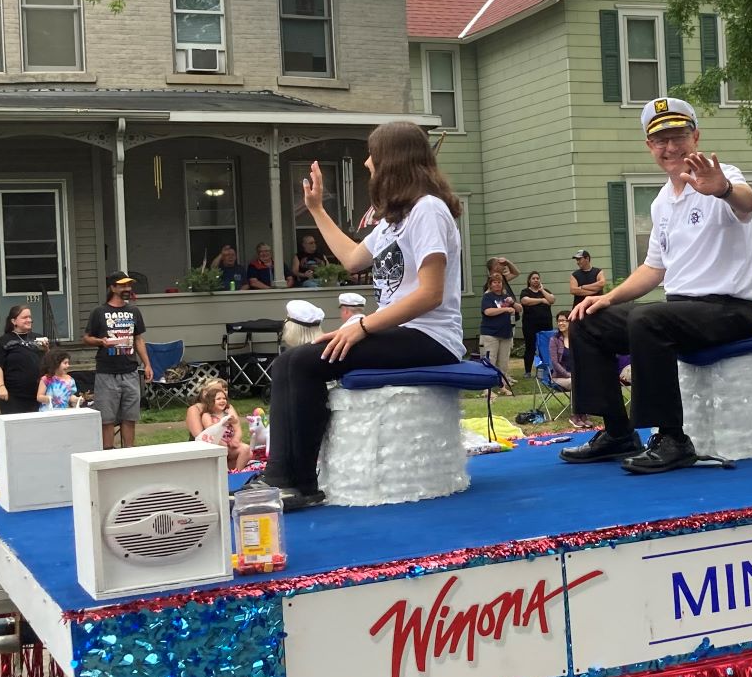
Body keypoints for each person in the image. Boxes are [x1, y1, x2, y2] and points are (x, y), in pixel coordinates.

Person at [262, 121, 464, 511]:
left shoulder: (428, 211)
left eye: (373, 154)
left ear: (392, 160)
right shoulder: (396, 219)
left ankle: (296, 483)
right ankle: (284, 477)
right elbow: (353, 258)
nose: (367, 162)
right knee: (290, 361)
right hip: (398, 330)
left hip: (432, 337)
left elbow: (431, 293)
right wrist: (316, 210)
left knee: (304, 363)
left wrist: (363, 326)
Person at [564, 97, 752, 474]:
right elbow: (653, 269)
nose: (670, 148)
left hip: (730, 310)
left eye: (678, 137)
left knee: (649, 320)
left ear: (696, 137)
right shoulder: (661, 202)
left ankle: (672, 439)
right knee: (587, 320)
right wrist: (606, 298)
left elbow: (748, 204)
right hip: (681, 311)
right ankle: (617, 432)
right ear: (649, 147)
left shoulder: (723, 175)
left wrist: (721, 189)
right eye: (660, 140)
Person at [85, 272, 149, 450]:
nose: (127, 289)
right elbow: (86, 338)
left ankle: (128, 452)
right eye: (122, 285)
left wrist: (148, 363)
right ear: (112, 287)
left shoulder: (134, 311)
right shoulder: (99, 312)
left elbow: (138, 339)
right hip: (106, 372)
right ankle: (108, 452)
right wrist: (101, 342)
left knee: (130, 416)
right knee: (107, 418)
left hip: (130, 370)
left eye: (129, 285)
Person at [0, 304, 47, 417]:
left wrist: (47, 350)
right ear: (14, 321)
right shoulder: (4, 341)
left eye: (30, 317)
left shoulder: (38, 339)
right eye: (24, 317)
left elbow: (51, 362)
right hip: (14, 396)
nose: (29, 320)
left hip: (38, 393)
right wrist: (1, 386)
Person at [186, 379, 250, 471]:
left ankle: (235, 474)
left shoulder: (227, 408)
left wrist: (236, 439)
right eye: (217, 391)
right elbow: (199, 435)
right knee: (222, 449)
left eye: (224, 390)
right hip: (205, 448)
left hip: (227, 445)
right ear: (205, 393)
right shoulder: (195, 409)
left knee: (246, 450)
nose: (223, 393)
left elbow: (237, 427)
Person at [518, 271, 555, 375]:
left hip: (545, 324)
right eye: (533, 278)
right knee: (530, 347)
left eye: (537, 278)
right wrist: (542, 300)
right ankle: (528, 371)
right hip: (530, 325)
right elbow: (525, 301)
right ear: (529, 281)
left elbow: (552, 300)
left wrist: (542, 291)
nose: (536, 280)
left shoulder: (545, 291)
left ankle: (545, 370)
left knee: (546, 347)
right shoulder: (525, 291)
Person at [479, 271, 516, 374]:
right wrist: (505, 309)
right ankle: (487, 389)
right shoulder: (487, 297)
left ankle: (502, 386)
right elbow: (488, 311)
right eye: (494, 282)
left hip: (506, 334)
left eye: (499, 282)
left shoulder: (506, 297)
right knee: (490, 360)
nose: (497, 284)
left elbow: (519, 308)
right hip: (491, 334)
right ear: (490, 284)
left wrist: (512, 303)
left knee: (503, 362)